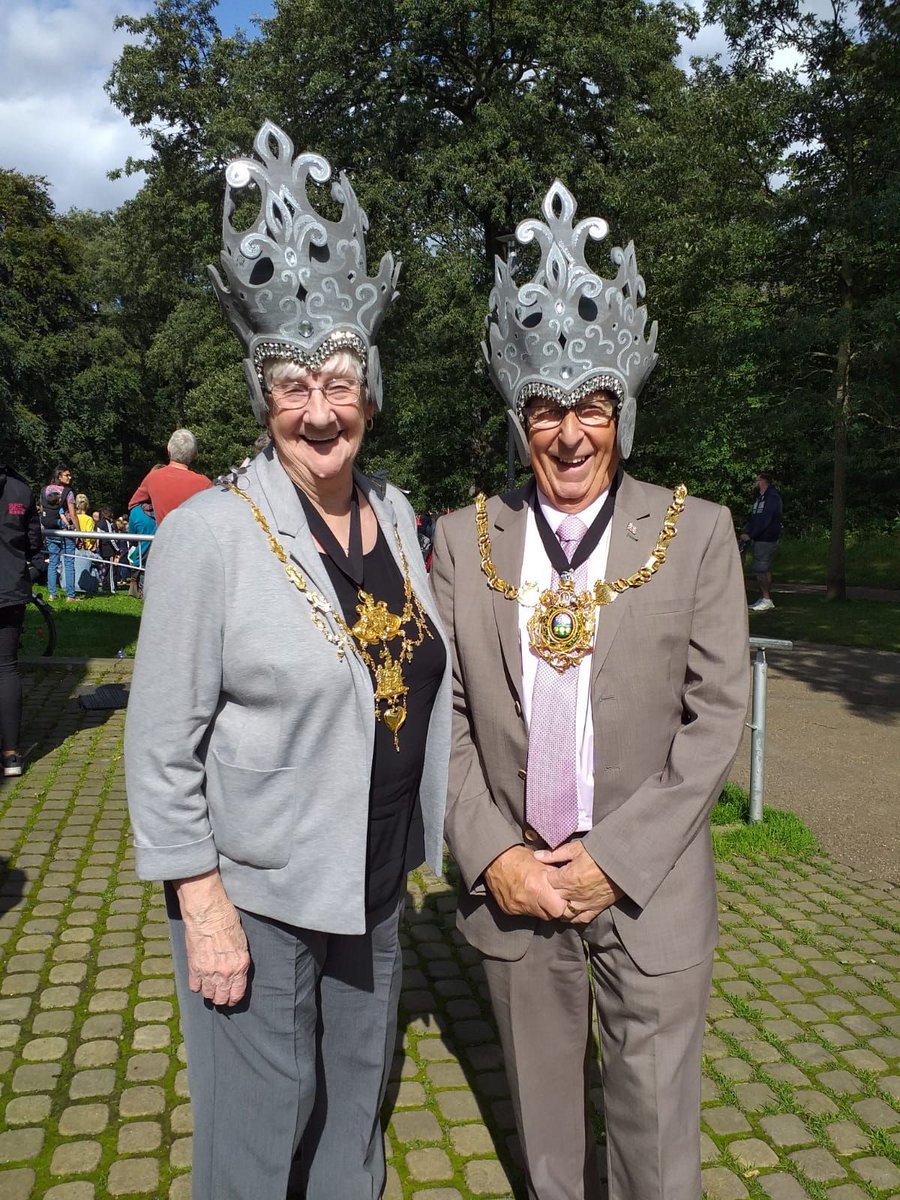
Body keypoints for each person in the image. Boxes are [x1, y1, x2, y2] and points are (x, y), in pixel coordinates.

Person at [124, 121, 451, 1200]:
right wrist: (202, 904)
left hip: (374, 875)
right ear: (262, 396)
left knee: (354, 1115)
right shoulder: (209, 536)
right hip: (259, 895)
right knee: (258, 1138)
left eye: (339, 382)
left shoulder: (395, 511)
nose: (319, 412)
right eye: (292, 385)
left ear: (371, 391)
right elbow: (160, 747)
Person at [431, 180, 749, 1200]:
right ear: (518, 417)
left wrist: (615, 859)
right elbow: (445, 719)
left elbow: (717, 717)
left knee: (654, 1148)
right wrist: (492, 856)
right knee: (550, 1151)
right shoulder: (463, 540)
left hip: (649, 890)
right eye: (546, 409)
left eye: (592, 407)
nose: (570, 434)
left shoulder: (697, 533)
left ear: (623, 412)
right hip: (518, 890)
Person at [0, 464, 44, 777]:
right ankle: (11, 754)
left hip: (11, 588)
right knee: (6, 667)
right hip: (10, 587)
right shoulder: (20, 490)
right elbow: (34, 544)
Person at [128, 429, 212, 524]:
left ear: (168, 449)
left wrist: (153, 519)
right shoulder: (204, 484)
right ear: (194, 454)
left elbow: (133, 505)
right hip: (193, 532)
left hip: (164, 532)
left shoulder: (153, 478)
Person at [740, 470, 783, 612]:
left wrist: (751, 535)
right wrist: (748, 532)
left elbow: (766, 520)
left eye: (757, 480)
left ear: (764, 481)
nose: (755, 483)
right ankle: (765, 597)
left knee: (761, 569)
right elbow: (754, 519)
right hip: (759, 538)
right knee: (762, 569)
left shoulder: (772, 498)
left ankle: (766, 599)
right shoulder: (760, 498)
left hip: (766, 539)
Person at [40, 465, 78, 602]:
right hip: (65, 530)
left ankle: (52, 594)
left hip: (50, 529)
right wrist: (78, 531)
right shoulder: (68, 492)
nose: (70, 477)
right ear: (59, 476)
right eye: (67, 475)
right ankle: (70, 595)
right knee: (69, 562)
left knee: (53, 562)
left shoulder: (44, 490)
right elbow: (73, 514)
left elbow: (42, 509)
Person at [126, 501, 157, 598]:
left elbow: (132, 535)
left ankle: (139, 590)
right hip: (159, 549)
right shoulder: (162, 507)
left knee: (139, 566)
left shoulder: (135, 512)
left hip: (142, 550)